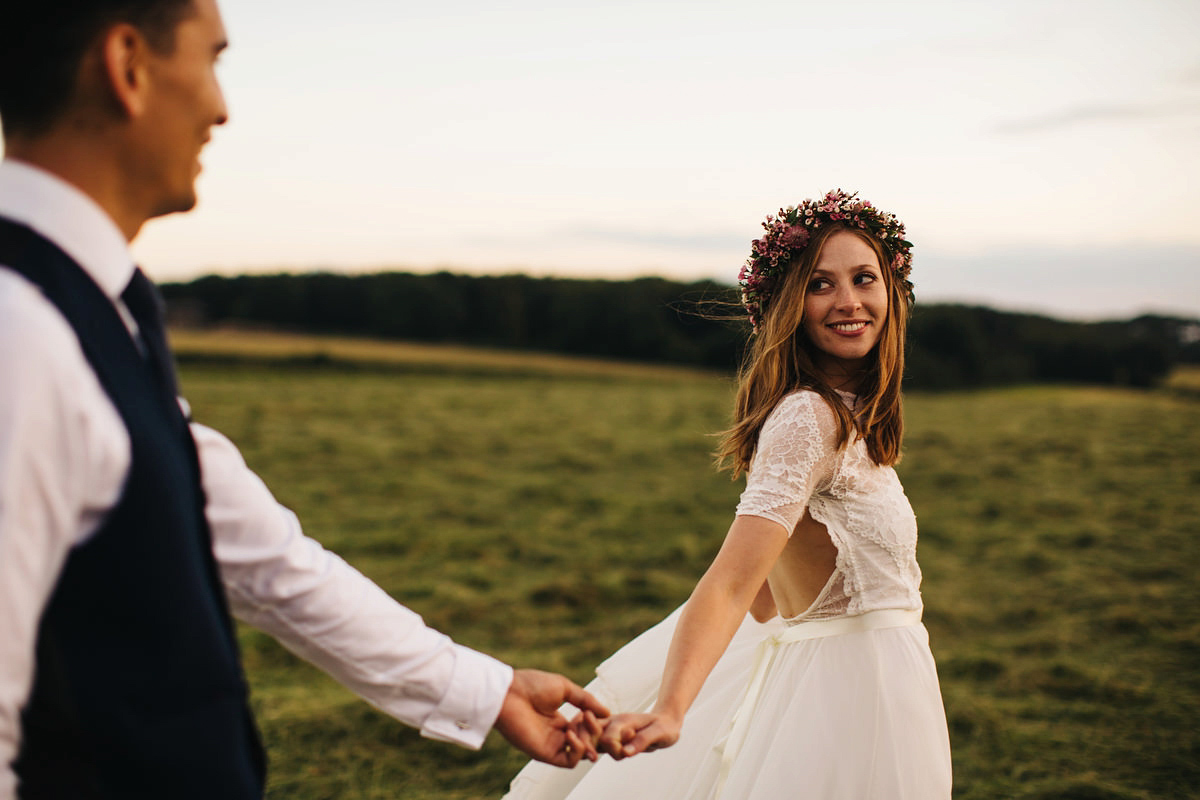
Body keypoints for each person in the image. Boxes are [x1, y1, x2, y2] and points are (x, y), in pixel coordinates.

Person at [0, 1, 607, 798]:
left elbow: (268, 560)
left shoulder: (100, 311)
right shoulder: (20, 331)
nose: (222, 107)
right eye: (211, 58)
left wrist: (484, 689)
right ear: (128, 65)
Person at [505, 190, 952, 799]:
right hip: (850, 700)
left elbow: (768, 602)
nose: (849, 301)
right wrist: (670, 707)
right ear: (789, 307)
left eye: (863, 278)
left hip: (884, 687)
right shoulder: (807, 420)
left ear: (891, 293)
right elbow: (731, 583)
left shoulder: (852, 420)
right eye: (820, 285)